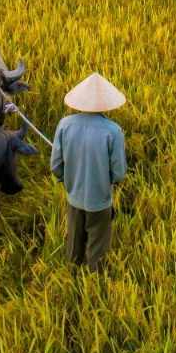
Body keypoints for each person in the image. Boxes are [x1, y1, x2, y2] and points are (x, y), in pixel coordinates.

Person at [52, 72, 129, 270]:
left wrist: (68, 179)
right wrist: (106, 181)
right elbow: (119, 172)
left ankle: (72, 276)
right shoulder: (113, 131)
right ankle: (94, 282)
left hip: (74, 196)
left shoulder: (64, 125)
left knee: (74, 241)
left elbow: (55, 166)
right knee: (98, 245)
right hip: (100, 200)